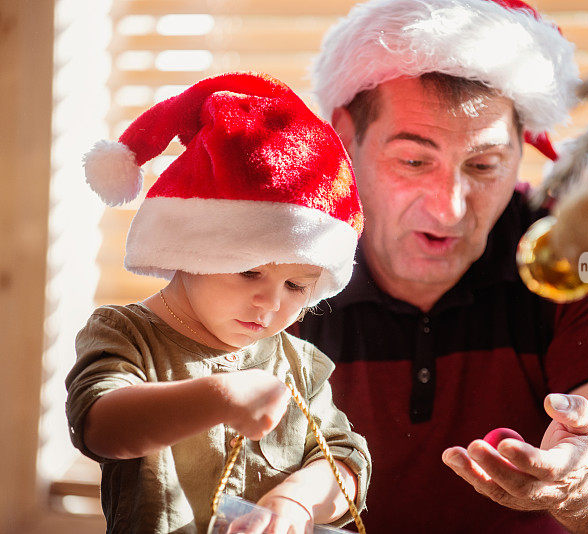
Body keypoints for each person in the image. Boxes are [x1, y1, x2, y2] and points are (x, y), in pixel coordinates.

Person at [293, 1, 588, 532]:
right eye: (414, 161)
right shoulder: (286, 255)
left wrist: (583, 482)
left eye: (483, 165)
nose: (450, 209)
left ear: (521, 151)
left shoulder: (568, 256)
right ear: (345, 136)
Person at [65, 72, 371, 534]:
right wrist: (217, 398)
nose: (270, 302)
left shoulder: (297, 363)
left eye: (296, 286)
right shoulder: (128, 334)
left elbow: (348, 462)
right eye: (250, 271)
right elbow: (101, 426)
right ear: (191, 251)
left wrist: (295, 502)